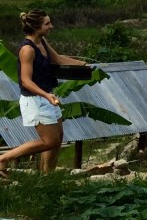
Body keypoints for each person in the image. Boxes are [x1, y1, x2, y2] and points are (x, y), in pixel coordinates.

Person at [0, 10, 89, 177]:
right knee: (49, 141)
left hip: (47, 96)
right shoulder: (27, 50)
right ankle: (3, 158)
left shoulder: (42, 42)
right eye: (47, 24)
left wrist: (84, 64)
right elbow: (26, 81)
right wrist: (46, 96)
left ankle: (48, 176)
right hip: (36, 99)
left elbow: (58, 59)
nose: (51, 26)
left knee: (58, 139)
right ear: (36, 27)